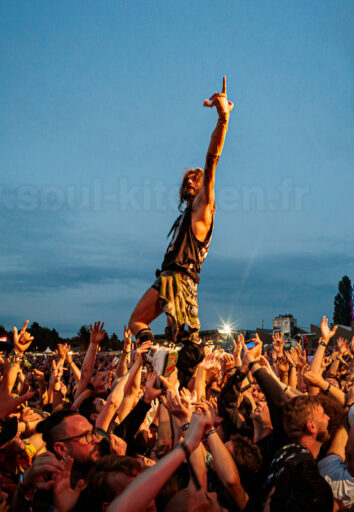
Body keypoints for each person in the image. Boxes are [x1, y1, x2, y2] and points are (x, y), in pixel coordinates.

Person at [128, 76, 233, 382]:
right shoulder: (187, 214)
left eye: (194, 178)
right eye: (186, 178)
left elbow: (212, 159)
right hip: (176, 278)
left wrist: (223, 118)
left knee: (146, 324)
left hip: (179, 278)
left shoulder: (203, 205)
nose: (189, 180)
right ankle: (177, 371)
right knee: (175, 343)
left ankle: (173, 369)